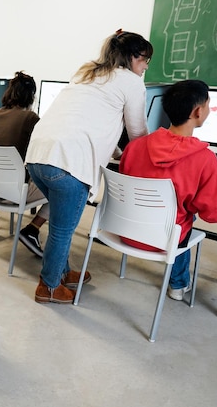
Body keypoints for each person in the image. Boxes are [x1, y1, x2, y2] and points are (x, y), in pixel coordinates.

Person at [25, 29, 152, 304]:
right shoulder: (131, 82)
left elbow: (88, 122)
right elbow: (138, 133)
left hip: (37, 157)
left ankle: (64, 272)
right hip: (68, 163)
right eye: (145, 60)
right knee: (62, 229)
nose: (145, 67)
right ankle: (47, 288)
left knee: (61, 222)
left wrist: (114, 151)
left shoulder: (87, 73)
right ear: (133, 58)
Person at [119, 80, 217, 300]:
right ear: (198, 111)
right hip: (164, 240)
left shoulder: (135, 146)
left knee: (180, 209)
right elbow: (214, 214)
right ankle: (178, 284)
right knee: (187, 215)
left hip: (126, 232)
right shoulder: (205, 160)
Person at [0, 71, 50, 257]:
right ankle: (32, 230)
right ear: (31, 96)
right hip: (15, 193)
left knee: (9, 174)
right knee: (63, 189)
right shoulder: (30, 118)